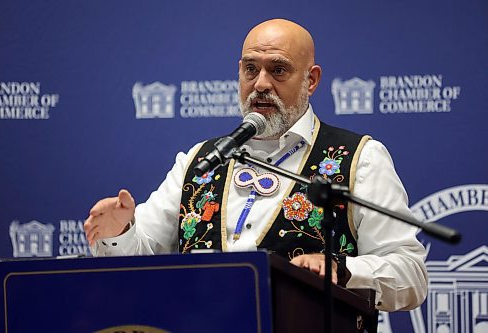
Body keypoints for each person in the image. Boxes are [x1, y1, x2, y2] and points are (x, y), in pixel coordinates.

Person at [84, 18, 427, 312]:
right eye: (251, 69)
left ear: (311, 79)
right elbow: (142, 258)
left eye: (278, 70)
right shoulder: (201, 160)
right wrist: (119, 232)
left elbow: (411, 273)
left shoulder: (359, 158)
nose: (261, 83)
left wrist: (342, 270)